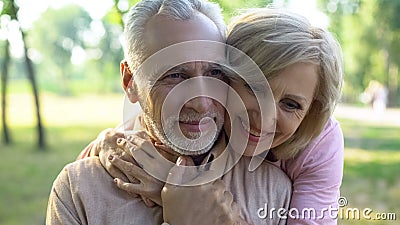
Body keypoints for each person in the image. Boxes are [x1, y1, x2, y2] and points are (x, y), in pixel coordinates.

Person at [82, 6, 345, 225]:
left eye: (290, 105)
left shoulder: (320, 147)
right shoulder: (208, 106)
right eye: (253, 87)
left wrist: (189, 196)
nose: (265, 117)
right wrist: (106, 142)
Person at [46, 1, 292, 225]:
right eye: (175, 76)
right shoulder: (79, 190)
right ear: (130, 81)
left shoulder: (275, 191)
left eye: (215, 73)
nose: (202, 104)